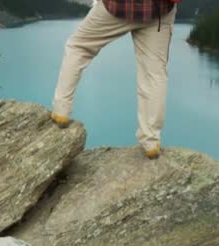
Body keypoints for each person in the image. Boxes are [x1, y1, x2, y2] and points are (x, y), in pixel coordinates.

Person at [50, 0, 178, 159]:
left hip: (118, 6)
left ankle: (61, 111)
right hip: (159, 11)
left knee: (78, 47)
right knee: (154, 74)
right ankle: (151, 141)